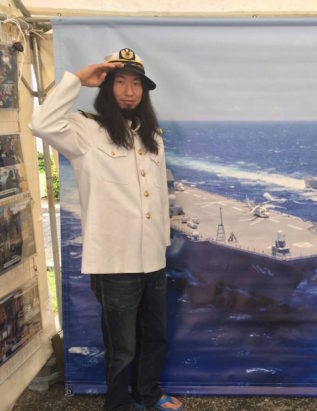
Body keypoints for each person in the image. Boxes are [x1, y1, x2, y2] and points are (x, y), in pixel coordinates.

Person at [30, 48, 183, 411]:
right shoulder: (85, 131)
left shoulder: (151, 136)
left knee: (154, 336)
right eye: (120, 82)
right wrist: (77, 79)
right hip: (115, 263)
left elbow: (159, 196)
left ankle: (147, 393)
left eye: (136, 84)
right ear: (106, 87)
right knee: (121, 346)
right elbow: (41, 124)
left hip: (152, 259)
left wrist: (161, 244)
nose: (130, 91)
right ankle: (118, 404)